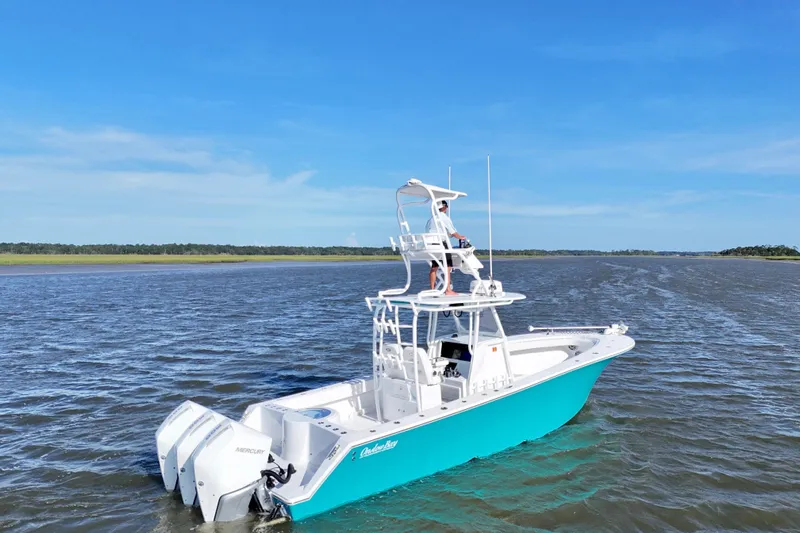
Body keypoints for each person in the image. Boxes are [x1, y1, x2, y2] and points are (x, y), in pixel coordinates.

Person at [426, 200, 467, 295]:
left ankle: (432, 289)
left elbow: (431, 231)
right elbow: (453, 231)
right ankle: (448, 290)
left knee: (434, 267)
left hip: (432, 244)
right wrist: (460, 237)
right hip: (441, 244)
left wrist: (447, 235)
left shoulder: (432, 219)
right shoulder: (444, 217)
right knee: (448, 267)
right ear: (445, 207)